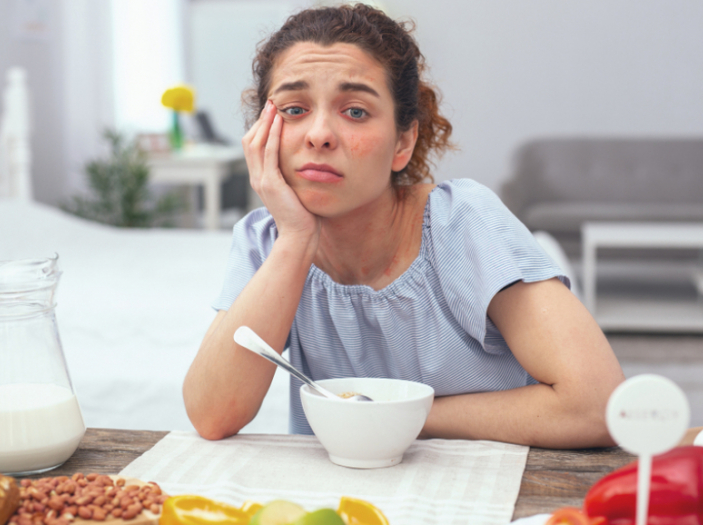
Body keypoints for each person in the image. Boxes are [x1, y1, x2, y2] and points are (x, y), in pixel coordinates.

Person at [183, 3, 625, 448]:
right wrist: (296, 240)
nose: (319, 134)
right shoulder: (264, 241)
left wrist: (402, 416)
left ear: (402, 142)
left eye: (355, 111)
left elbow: (596, 407)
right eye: (294, 109)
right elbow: (212, 414)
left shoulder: (462, 223)